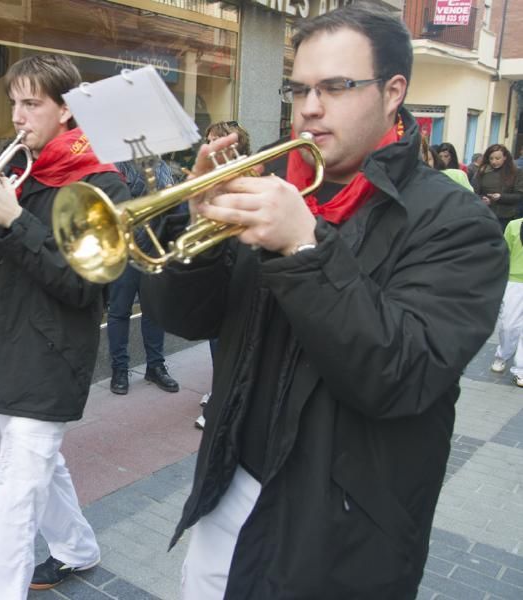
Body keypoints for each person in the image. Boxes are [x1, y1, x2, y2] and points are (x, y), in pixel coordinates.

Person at [140, 6, 507, 599]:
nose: (309, 107)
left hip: (342, 530)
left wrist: (303, 246)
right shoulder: (275, 187)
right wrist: (199, 233)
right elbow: (186, 319)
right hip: (229, 486)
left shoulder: (457, 223)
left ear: (393, 93)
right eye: (300, 88)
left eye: (336, 87)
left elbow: (400, 375)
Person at [0, 54, 131, 600]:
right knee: (40, 467)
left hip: (51, 355)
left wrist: (14, 218)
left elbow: (80, 287)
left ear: (67, 111)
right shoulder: (21, 175)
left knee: (15, 492)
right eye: (14, 102)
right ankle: (77, 549)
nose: (18, 116)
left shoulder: (102, 184)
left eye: (32, 103)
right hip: (4, 342)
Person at [193, 120, 253, 430]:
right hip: (217, 268)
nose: (211, 145)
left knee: (227, 344)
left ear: (235, 147)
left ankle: (223, 399)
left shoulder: (248, 176)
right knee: (217, 340)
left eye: (219, 140)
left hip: (238, 269)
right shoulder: (208, 176)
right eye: (209, 138)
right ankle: (220, 388)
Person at [107, 159, 180, 396]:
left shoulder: (163, 166)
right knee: (119, 312)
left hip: (153, 250)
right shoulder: (117, 165)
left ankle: (155, 366)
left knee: (153, 312)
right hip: (125, 251)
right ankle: (119, 369)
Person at [491, 218, 523, 387]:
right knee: (508, 325)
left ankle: (521, 369)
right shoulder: (514, 225)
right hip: (515, 281)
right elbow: (504, 253)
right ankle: (502, 355)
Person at [474, 143, 523, 231]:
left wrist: (501, 197)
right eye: (491, 158)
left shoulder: (516, 172)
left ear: (505, 157)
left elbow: (519, 195)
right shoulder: (482, 171)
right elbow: (474, 192)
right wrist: (482, 198)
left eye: (497, 158)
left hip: (505, 217)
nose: (494, 162)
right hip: (485, 215)